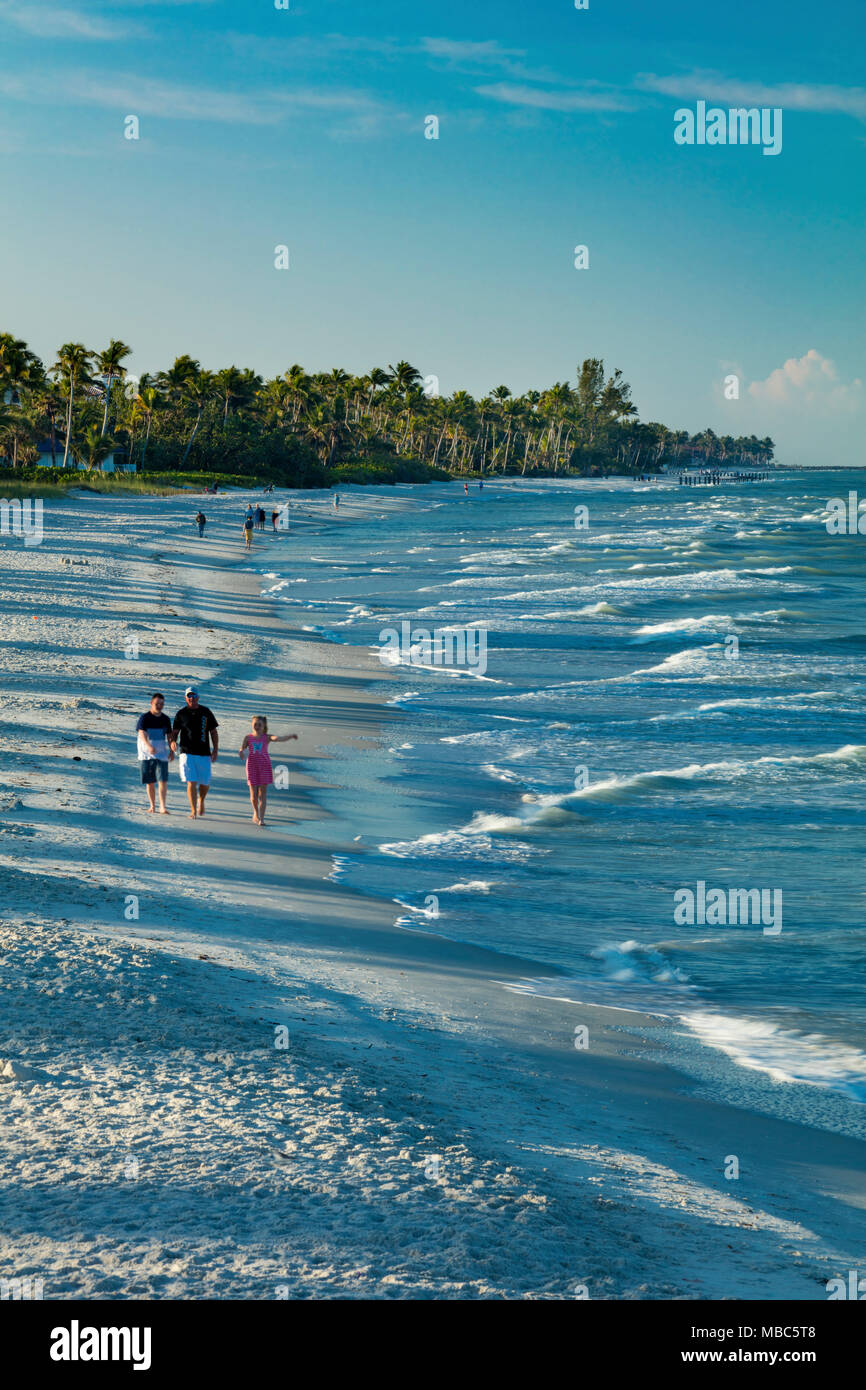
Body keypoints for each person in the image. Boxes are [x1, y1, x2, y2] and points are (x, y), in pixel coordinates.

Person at [239, 715, 297, 826]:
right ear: (252, 724)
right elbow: (242, 750)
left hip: (264, 766)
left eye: (259, 724)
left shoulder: (266, 737)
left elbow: (278, 738)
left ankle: (262, 818)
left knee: (262, 794)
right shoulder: (248, 738)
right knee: (253, 795)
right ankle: (256, 813)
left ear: (264, 726)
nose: (257, 726)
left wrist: (290, 736)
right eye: (255, 724)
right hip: (251, 767)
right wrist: (241, 752)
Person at [171, 687, 219, 819]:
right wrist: (172, 742)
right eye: (189, 696)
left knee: (205, 783)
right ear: (186, 698)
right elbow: (174, 732)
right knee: (191, 781)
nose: (192, 698)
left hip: (204, 752)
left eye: (194, 696)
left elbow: (213, 732)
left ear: (198, 697)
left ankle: (201, 801)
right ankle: (193, 810)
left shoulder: (206, 712)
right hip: (186, 752)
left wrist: (215, 749)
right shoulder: (181, 713)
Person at [136, 692, 173, 814]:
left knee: (162, 780)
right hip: (145, 755)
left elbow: (169, 736)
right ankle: (152, 806)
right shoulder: (145, 717)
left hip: (161, 754)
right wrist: (148, 746)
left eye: (161, 704)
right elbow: (141, 733)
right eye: (157, 703)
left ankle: (162, 806)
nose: (159, 706)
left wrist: (172, 749)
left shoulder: (165, 719)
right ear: (151, 703)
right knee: (150, 782)